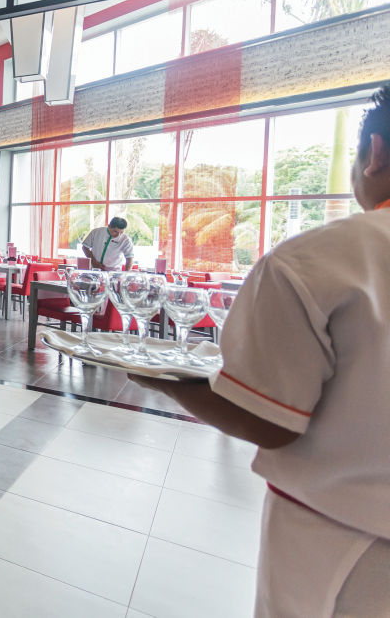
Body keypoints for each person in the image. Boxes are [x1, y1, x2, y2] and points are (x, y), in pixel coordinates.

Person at [129, 84, 390, 617]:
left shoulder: (320, 260)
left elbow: (271, 419)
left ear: (375, 153)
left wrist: (160, 374)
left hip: (343, 540)